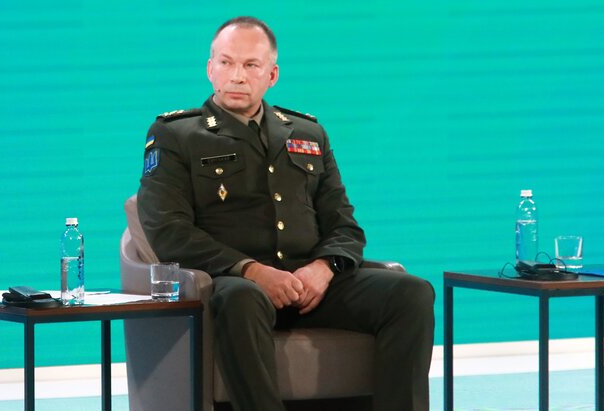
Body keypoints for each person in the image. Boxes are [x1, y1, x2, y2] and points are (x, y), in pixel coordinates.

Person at [137, 16, 434, 411]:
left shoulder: (307, 133)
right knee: (240, 299)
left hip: (310, 286)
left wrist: (324, 269)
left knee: (411, 293)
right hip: (234, 284)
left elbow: (344, 224)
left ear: (272, 75)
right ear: (210, 69)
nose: (237, 76)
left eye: (251, 65)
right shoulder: (176, 134)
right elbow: (168, 230)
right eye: (226, 63)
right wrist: (251, 270)